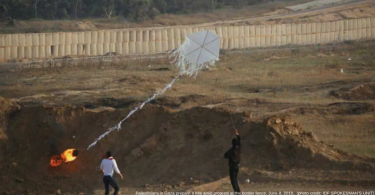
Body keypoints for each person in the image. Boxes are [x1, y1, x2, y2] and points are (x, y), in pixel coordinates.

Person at [224, 129, 241, 194]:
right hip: (237, 166)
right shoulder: (238, 149)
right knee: (235, 180)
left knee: (233, 181)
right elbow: (239, 141)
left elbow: (225, 156)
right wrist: (237, 134)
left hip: (232, 167)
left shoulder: (231, 150)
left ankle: (237, 193)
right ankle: (238, 193)